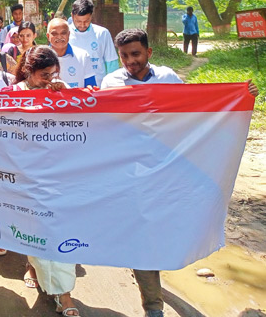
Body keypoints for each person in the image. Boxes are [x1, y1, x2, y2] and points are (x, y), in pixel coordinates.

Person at [101, 28, 259, 317]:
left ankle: (162, 276)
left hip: (169, 171)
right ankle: (153, 306)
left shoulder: (168, 78)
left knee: (168, 229)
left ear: (149, 52)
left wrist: (239, 96)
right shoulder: (111, 83)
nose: (130, 61)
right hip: (132, 174)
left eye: (135, 54)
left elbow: (198, 107)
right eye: (124, 56)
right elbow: (99, 122)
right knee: (142, 236)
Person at [6, 45, 79, 316]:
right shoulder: (13, 94)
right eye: (44, 75)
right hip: (25, 176)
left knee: (57, 231)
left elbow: (80, 124)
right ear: (29, 71)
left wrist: (65, 97)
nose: (49, 78)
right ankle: (33, 266)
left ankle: (65, 295)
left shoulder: (60, 90)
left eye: (53, 73)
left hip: (57, 175)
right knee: (33, 230)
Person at [68, 0, 119, 86]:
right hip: (73, 89)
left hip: (98, 87)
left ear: (91, 16)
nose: (83, 25)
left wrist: (112, 87)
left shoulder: (102, 33)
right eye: (79, 21)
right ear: (72, 16)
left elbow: (111, 63)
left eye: (86, 21)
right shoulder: (65, 35)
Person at [47, 18, 96, 88]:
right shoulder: (40, 58)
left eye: (63, 33)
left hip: (77, 99)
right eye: (54, 34)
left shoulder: (83, 56)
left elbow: (91, 89)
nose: (59, 37)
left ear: (69, 34)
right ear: (48, 36)